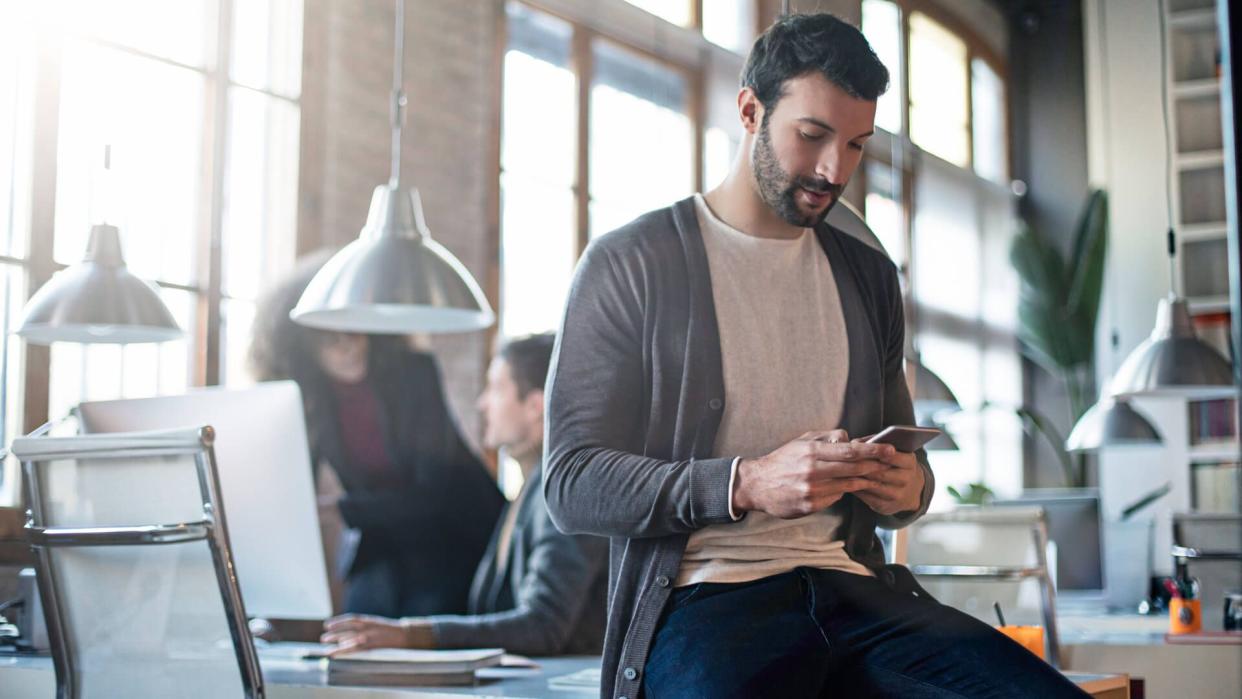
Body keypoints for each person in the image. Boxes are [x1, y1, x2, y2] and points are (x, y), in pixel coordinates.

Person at [542, 13, 1088, 699]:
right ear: (750, 109)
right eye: (813, 135)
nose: (836, 170)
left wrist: (905, 487)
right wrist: (745, 481)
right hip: (707, 602)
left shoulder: (869, 276)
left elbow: (909, 480)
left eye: (857, 144)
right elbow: (570, 481)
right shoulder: (631, 263)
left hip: (858, 593)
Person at [318, 333, 608, 656]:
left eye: (496, 389)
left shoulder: (564, 494)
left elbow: (543, 625)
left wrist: (410, 635)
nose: (482, 403)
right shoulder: (530, 489)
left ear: (535, 406)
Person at [250, 251, 505, 619]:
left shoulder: (414, 373)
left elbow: (434, 493)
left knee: (417, 642)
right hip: (382, 538)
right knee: (355, 630)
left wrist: (342, 509)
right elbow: (296, 482)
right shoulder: (310, 398)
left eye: (353, 327)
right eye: (328, 337)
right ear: (301, 344)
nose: (346, 345)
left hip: (452, 534)